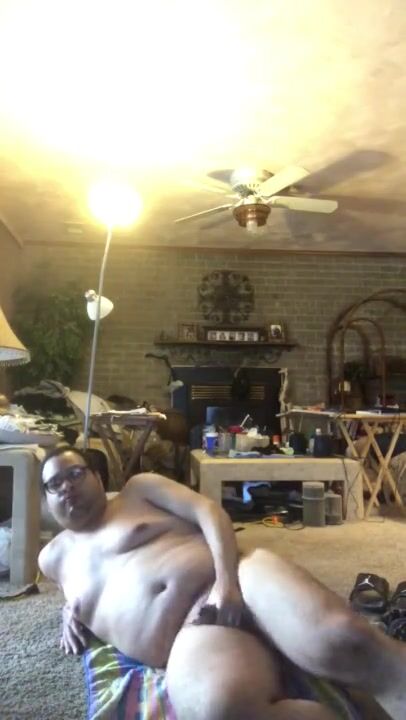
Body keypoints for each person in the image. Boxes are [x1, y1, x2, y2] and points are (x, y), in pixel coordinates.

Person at [39, 445, 406, 720]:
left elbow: (209, 512)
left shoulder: (138, 490)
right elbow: (86, 593)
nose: (67, 486)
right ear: (46, 500)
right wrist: (69, 612)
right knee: (219, 710)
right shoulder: (51, 559)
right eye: (55, 483)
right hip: (190, 637)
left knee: (341, 637)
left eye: (76, 473)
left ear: (98, 477)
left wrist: (226, 582)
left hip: (236, 576)